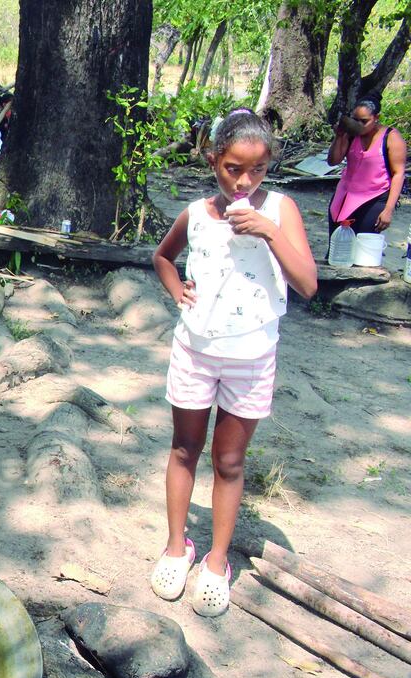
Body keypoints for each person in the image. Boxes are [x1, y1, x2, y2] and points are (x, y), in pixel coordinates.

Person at [149, 110, 317, 617]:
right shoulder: (197, 214)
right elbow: (162, 256)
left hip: (251, 356)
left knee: (229, 462)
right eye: (233, 169)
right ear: (213, 160)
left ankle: (218, 560)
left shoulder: (282, 211)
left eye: (258, 170)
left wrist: (269, 232)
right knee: (184, 449)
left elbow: (308, 284)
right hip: (195, 351)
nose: (244, 181)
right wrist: (179, 290)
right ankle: (178, 547)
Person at [327, 95, 406, 238]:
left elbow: (398, 174)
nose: (358, 125)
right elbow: (333, 161)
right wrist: (339, 136)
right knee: (337, 247)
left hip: (374, 198)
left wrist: (388, 210)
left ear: (376, 117)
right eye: (355, 120)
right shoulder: (351, 134)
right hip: (345, 196)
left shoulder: (391, 137)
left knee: (363, 249)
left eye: (364, 121)